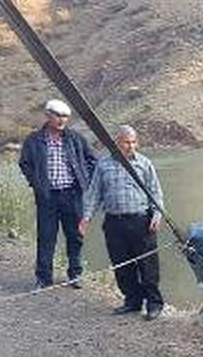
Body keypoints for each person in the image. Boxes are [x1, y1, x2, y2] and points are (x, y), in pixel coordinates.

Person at [79, 125, 165, 320]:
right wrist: (86, 217)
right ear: (116, 143)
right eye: (126, 142)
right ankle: (132, 301)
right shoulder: (104, 165)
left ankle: (154, 303)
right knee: (121, 264)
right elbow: (94, 194)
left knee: (148, 264)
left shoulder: (145, 164)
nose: (131, 146)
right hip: (114, 223)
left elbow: (156, 193)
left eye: (134, 142)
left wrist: (157, 216)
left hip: (141, 221)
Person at [18, 99, 97, 289]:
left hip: (72, 194)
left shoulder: (75, 139)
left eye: (66, 117)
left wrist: (85, 180)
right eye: (58, 116)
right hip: (47, 197)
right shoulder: (34, 140)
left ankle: (75, 274)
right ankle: (43, 278)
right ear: (48, 115)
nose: (62, 120)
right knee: (46, 237)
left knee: (75, 235)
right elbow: (24, 164)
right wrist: (36, 183)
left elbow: (92, 161)